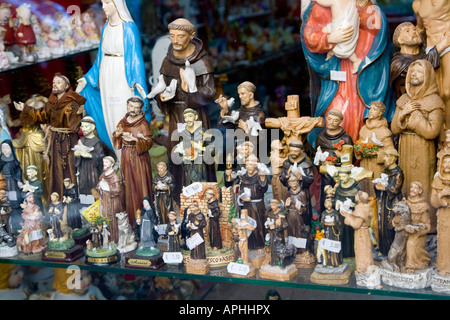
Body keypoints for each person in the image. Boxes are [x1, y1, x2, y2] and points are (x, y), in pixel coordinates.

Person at [301, 0, 394, 144]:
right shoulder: (320, 6)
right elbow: (309, 34)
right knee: (336, 113)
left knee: (361, 116)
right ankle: (335, 155)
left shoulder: (362, 3)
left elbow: (376, 27)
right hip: (336, 74)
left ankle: (359, 156)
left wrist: (363, 7)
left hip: (361, 73)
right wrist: (329, 39)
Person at [154, 18, 216, 200]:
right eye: (172, 36)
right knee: (177, 154)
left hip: (195, 116)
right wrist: (162, 97)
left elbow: (210, 92)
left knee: (198, 155)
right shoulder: (168, 59)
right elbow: (161, 85)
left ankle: (202, 196)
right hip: (175, 115)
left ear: (191, 36)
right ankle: (178, 196)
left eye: (180, 36)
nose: (176, 40)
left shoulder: (201, 61)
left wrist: (191, 90)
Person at [76, 0, 149, 152]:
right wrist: (87, 78)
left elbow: (135, 58)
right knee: (109, 114)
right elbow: (100, 58)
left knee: (121, 112)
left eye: (108, 2)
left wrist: (138, 82)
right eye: (102, 2)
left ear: (117, 4)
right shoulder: (106, 27)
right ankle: (118, 156)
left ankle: (128, 157)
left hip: (122, 75)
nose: (103, 6)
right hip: (106, 75)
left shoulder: (129, 28)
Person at [15, 73, 85, 203]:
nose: (55, 84)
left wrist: (76, 113)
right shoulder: (51, 102)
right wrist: (24, 108)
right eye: (54, 82)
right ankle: (57, 197)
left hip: (69, 140)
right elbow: (41, 115)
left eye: (58, 82)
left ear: (66, 86)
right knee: (56, 169)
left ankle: (73, 199)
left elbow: (74, 123)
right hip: (55, 139)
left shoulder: (72, 101)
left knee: (71, 166)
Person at [391, 59, 444, 226]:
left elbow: (431, 131)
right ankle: (406, 220)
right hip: (405, 147)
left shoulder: (434, 101)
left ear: (428, 76)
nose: (414, 74)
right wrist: (402, 114)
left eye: (419, 71)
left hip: (422, 148)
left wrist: (414, 117)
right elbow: (394, 128)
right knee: (405, 183)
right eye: (412, 72)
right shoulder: (404, 100)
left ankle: (426, 223)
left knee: (423, 183)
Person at [112, 97, 153, 229]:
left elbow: (148, 142)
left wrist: (135, 140)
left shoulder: (142, 123)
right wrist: (117, 135)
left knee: (140, 184)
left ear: (140, 109)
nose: (133, 110)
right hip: (126, 156)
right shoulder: (123, 121)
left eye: (136, 107)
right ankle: (130, 218)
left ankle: (143, 217)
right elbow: (117, 139)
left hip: (139, 158)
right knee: (128, 184)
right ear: (127, 106)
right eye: (131, 106)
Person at [413, 0, 450, 132]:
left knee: (447, 91)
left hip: (448, 44)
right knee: (436, 93)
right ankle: (440, 132)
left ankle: (448, 131)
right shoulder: (417, 4)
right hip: (431, 48)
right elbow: (420, 28)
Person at [389, 22, 448, 100]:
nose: (414, 32)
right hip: (413, 105)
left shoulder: (423, 53)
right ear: (399, 40)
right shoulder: (398, 63)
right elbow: (418, 73)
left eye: (414, 29)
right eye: (407, 31)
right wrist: (439, 48)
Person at [314, 109, 353, 211]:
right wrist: (320, 164)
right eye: (329, 119)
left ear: (340, 122)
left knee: (341, 194)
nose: (331, 122)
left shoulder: (346, 138)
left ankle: (341, 215)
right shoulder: (320, 138)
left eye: (335, 120)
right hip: (326, 172)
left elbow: (349, 159)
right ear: (326, 119)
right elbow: (316, 154)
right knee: (325, 192)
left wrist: (341, 157)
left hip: (341, 173)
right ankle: (324, 214)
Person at [356, 101, 394, 197]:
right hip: (364, 164)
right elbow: (359, 145)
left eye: (374, 109)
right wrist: (358, 150)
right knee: (364, 189)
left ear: (380, 113)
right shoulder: (364, 128)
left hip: (377, 167)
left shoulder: (384, 131)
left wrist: (377, 153)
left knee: (375, 192)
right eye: (370, 109)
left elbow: (391, 153)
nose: (370, 111)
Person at [313, 0, 362, 74]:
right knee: (326, 31)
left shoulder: (335, 1)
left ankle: (356, 61)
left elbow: (324, 2)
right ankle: (332, 52)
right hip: (341, 24)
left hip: (342, 27)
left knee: (344, 49)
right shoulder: (352, 1)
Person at [374, 148, 404, 257]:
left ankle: (391, 250)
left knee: (390, 224)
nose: (385, 159)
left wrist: (385, 188)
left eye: (386, 156)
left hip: (392, 202)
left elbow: (396, 189)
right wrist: (377, 187)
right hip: (384, 200)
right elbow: (381, 181)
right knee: (382, 224)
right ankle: (383, 248)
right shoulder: (386, 171)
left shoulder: (398, 173)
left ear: (393, 158)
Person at [238, 154, 269, 251]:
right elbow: (241, 189)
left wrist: (263, 178)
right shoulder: (244, 176)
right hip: (247, 205)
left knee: (258, 226)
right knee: (247, 225)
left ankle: (259, 245)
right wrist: (243, 197)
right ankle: (249, 246)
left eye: (251, 164)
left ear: (256, 164)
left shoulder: (260, 174)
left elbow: (264, 189)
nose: (249, 166)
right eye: (247, 164)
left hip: (257, 206)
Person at [340, 191, 375, 274]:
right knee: (366, 249)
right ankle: (368, 267)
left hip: (361, 233)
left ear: (359, 199)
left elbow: (356, 224)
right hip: (364, 232)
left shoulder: (360, 210)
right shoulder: (366, 207)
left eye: (357, 195)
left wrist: (347, 216)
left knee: (362, 251)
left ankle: (363, 269)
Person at [74, 116, 105, 202]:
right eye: (82, 126)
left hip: (93, 171)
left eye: (86, 126)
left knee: (93, 188)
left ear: (92, 127)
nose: (84, 129)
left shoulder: (96, 142)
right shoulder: (81, 141)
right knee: (83, 186)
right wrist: (77, 155)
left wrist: (90, 156)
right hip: (83, 170)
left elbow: (101, 157)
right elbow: (76, 162)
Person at [404, 182, 431, 272]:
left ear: (420, 191)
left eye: (415, 188)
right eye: (411, 187)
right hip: (405, 232)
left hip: (418, 235)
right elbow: (398, 220)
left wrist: (418, 231)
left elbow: (427, 225)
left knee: (411, 243)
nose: (412, 189)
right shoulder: (405, 203)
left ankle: (411, 265)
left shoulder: (423, 206)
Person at [96, 156, 123, 244]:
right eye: (104, 162)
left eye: (106, 162)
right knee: (104, 218)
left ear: (111, 164)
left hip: (112, 203)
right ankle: (105, 240)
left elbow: (118, 190)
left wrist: (107, 189)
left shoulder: (114, 176)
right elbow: (98, 186)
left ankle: (113, 240)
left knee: (112, 220)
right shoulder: (103, 175)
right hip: (104, 201)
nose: (104, 164)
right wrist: (100, 187)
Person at [0, 140, 23, 233]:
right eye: (3, 148)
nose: (5, 150)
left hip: (13, 184)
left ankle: (17, 224)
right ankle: (7, 228)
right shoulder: (1, 160)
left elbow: (18, 171)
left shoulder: (14, 161)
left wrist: (19, 181)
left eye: (7, 148)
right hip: (3, 184)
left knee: (14, 202)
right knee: (5, 203)